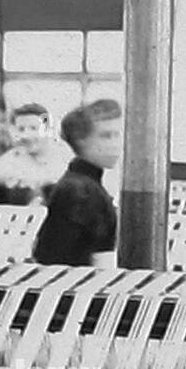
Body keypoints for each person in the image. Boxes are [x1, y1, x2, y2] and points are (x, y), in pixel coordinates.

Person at [32, 99, 122, 266]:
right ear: (81, 140)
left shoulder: (76, 183)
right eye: (106, 136)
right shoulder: (83, 192)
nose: (115, 144)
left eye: (117, 135)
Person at [0, 103, 71, 205]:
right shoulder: (8, 161)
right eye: (21, 129)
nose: (26, 135)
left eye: (34, 128)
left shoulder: (64, 158)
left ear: (48, 130)